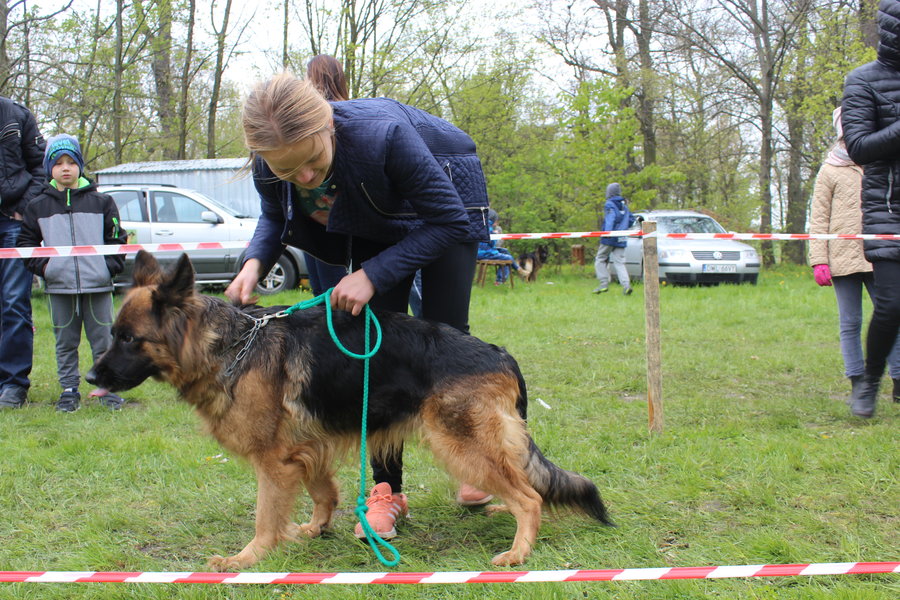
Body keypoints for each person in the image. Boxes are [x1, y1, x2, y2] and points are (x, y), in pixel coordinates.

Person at [224, 72, 494, 540]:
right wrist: (253, 262)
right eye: (290, 171)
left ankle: (477, 459)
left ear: (327, 125)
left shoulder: (381, 136)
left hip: (445, 202)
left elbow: (447, 220)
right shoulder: (270, 161)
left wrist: (372, 274)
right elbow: (274, 215)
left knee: (448, 334)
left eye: (312, 161)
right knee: (376, 354)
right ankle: (387, 492)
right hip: (375, 219)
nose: (305, 178)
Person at [17, 134, 128, 412]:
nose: (65, 168)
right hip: (59, 287)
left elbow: (117, 238)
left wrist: (108, 268)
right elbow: (25, 246)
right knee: (65, 341)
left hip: (98, 286)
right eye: (58, 163)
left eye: (71, 162)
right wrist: (46, 269)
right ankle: (68, 389)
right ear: (50, 169)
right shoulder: (37, 206)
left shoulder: (102, 202)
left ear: (79, 165)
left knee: (103, 340)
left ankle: (107, 388)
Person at [809, 107, 900, 405]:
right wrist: (818, 259)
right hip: (842, 259)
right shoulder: (830, 169)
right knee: (850, 321)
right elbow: (818, 218)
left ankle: (898, 380)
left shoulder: (883, 160)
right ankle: (857, 381)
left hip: (880, 254)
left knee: (890, 315)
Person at [842, 0, 900, 417]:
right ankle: (870, 381)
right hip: (888, 209)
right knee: (892, 305)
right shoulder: (863, 81)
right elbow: (859, 147)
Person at [0, 95, 45, 410]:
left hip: (13, 224)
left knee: (14, 302)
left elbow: (42, 168)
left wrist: (22, 209)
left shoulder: (16, 115)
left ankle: (14, 384)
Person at [302, 54, 351, 295]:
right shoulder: (304, 122)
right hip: (317, 223)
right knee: (327, 299)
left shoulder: (339, 121)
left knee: (331, 298)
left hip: (335, 225)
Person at [593, 182, 635, 295]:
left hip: (610, 236)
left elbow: (611, 218)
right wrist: (624, 227)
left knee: (600, 258)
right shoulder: (624, 205)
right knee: (620, 263)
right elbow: (631, 219)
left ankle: (603, 284)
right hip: (621, 237)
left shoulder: (609, 204)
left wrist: (607, 232)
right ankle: (626, 286)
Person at [477, 212, 527, 285]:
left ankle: (519, 270)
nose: (497, 223)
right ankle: (500, 281)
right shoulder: (489, 227)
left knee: (504, 251)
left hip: (479, 251)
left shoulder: (481, 224)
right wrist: (496, 235)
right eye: (496, 221)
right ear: (493, 220)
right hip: (485, 253)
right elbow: (492, 243)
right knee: (508, 258)